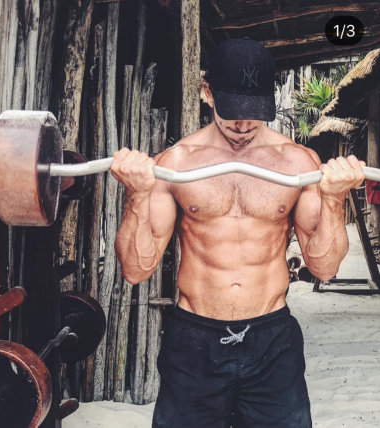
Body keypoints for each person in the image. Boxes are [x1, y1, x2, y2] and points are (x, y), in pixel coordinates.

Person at [111, 38, 365, 428]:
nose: (244, 126)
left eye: (254, 113)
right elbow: (135, 269)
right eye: (233, 113)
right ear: (208, 92)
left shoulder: (298, 164)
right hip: (194, 341)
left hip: (271, 341)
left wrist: (333, 199)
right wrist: (137, 195)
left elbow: (325, 267)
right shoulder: (176, 165)